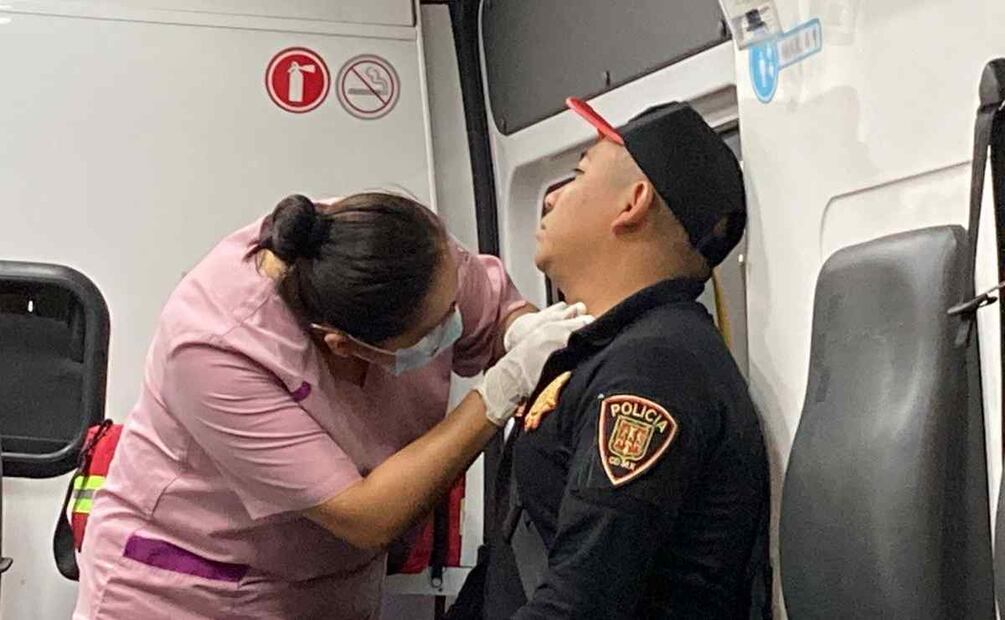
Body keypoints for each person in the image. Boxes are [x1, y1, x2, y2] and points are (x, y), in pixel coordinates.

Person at [73, 191, 593, 619]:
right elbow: (367, 515)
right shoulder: (217, 350)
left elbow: (493, 310)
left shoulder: (397, 248)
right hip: (188, 587)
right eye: (437, 328)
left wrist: (522, 328)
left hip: (327, 581)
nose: (456, 324)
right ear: (342, 344)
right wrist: (501, 390)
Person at [450, 98, 771, 619]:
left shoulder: (654, 368)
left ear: (633, 203)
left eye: (578, 176)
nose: (551, 197)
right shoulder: (612, 353)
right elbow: (515, 565)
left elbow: (579, 605)